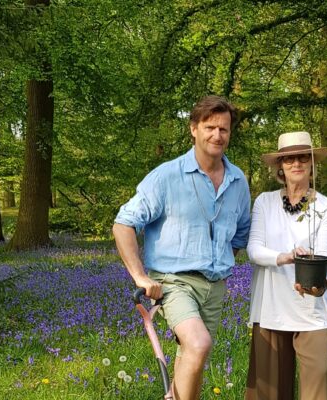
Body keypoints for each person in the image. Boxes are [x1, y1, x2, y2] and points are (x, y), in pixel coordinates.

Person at [113, 95, 251, 400]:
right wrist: (141, 277)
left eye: (224, 129)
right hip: (173, 282)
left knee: (191, 360)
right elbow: (123, 224)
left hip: (215, 287)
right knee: (199, 344)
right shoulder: (167, 176)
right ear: (194, 129)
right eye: (210, 127)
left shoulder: (238, 181)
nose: (217, 135)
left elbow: (239, 235)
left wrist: (219, 264)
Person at [245, 131, 327, 400]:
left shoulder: (325, 207)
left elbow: (326, 256)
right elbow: (254, 250)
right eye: (289, 159)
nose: (296, 164)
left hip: (311, 306)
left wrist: (320, 284)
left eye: (302, 158)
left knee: (317, 382)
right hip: (271, 305)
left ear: (311, 165)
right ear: (280, 166)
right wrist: (286, 257)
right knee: (269, 390)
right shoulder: (264, 202)